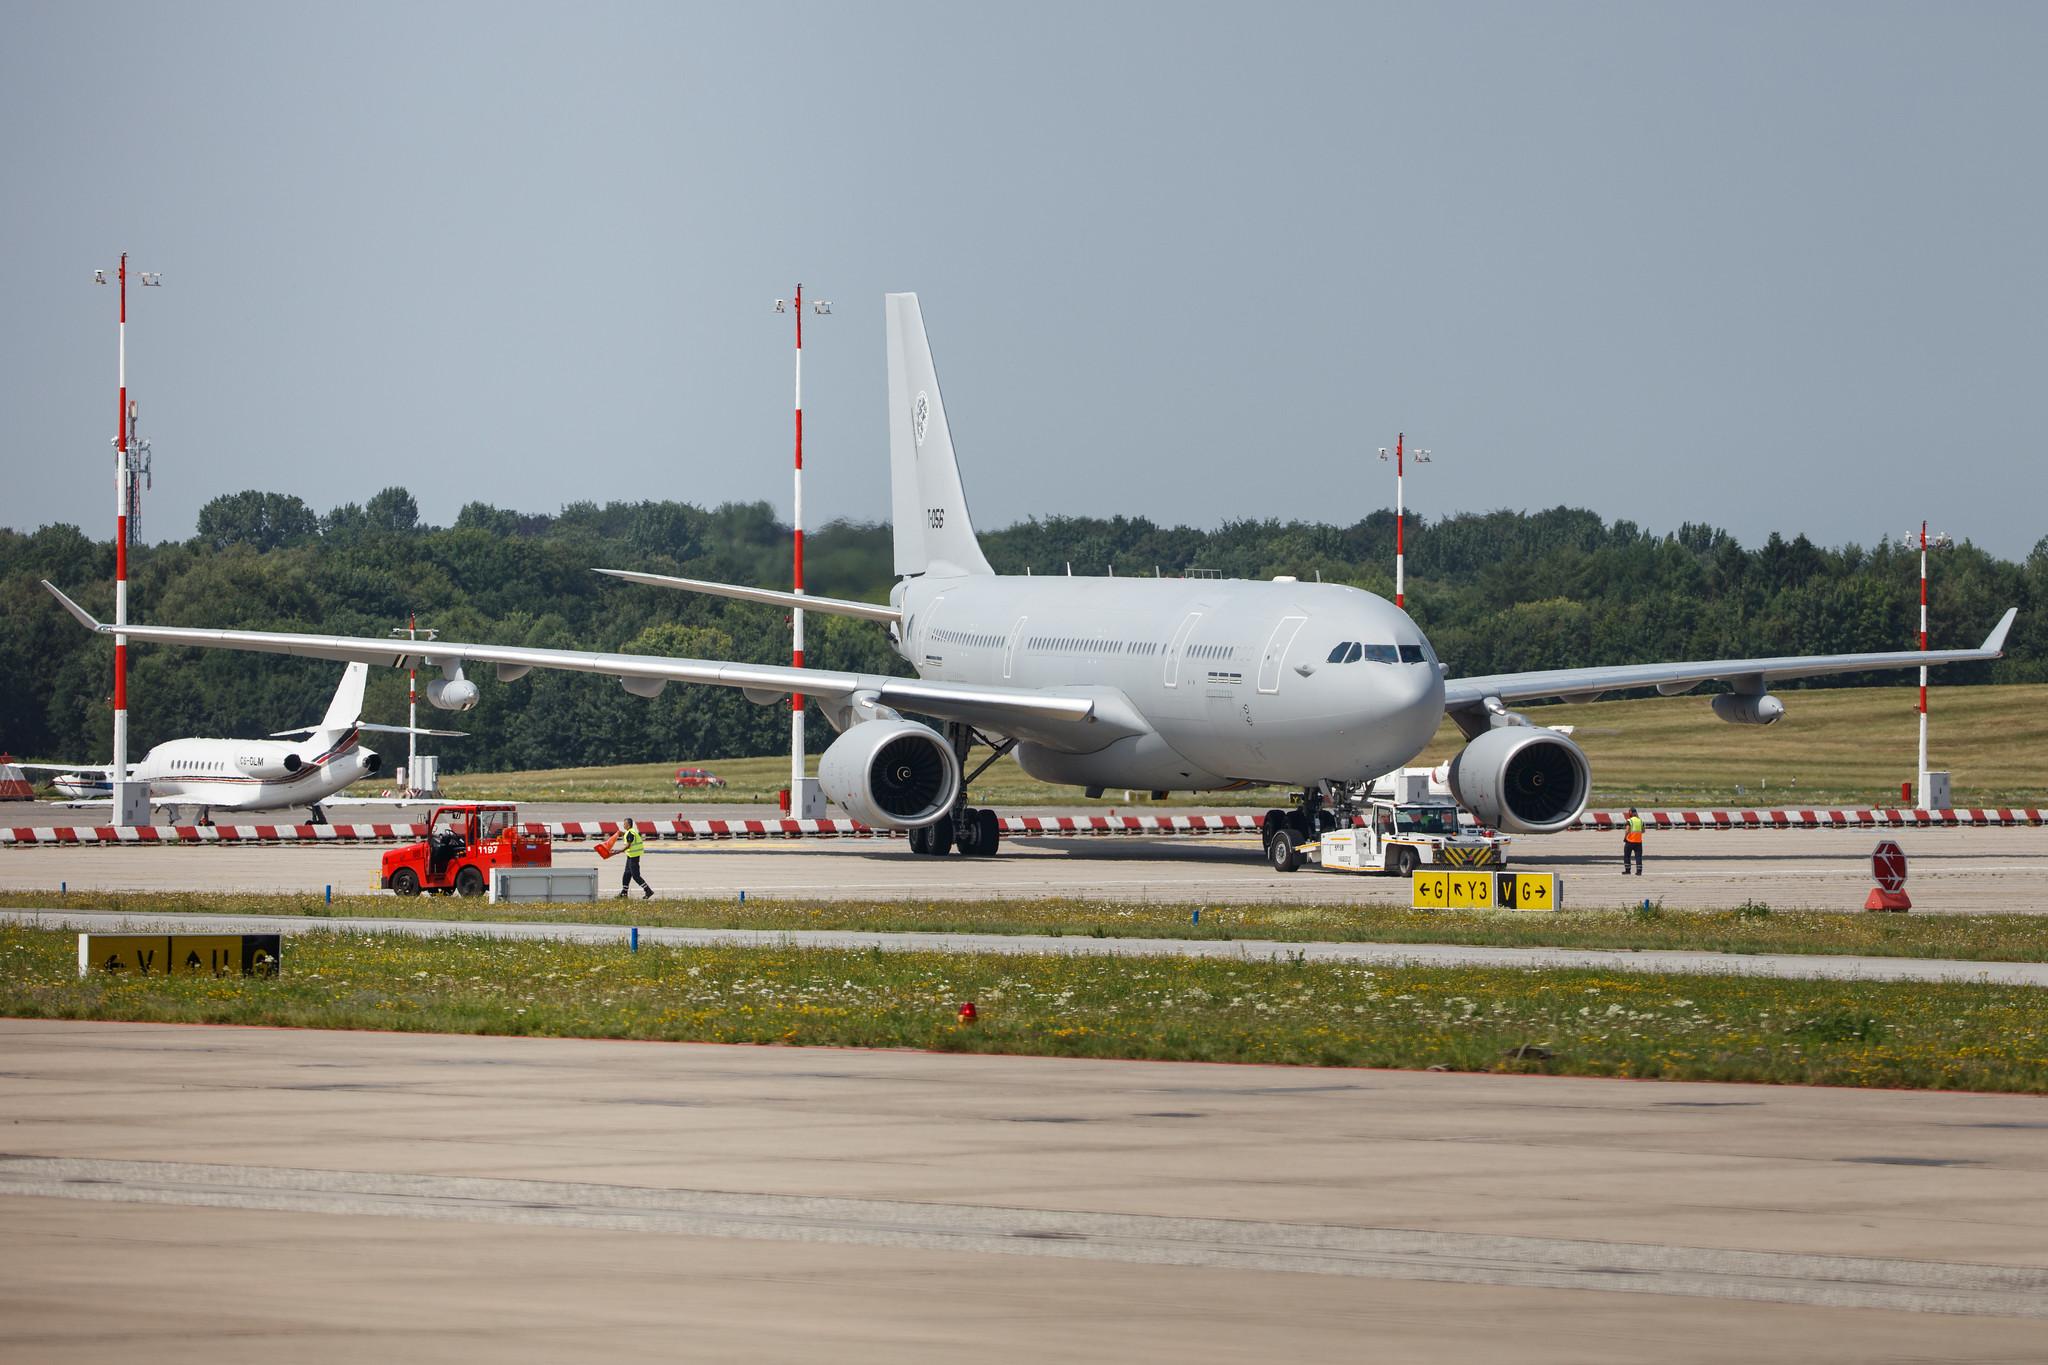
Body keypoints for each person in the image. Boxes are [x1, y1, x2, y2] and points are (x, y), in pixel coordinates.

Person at [616, 818, 654, 899]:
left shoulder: (631, 833)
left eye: (624, 824)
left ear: (628, 825)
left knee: (636, 876)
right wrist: (622, 833)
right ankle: (624, 893)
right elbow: (628, 836)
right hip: (630, 856)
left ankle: (648, 890)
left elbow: (628, 845)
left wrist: (618, 851)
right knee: (626, 874)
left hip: (634, 857)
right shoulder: (630, 832)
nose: (623, 825)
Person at [1623, 807, 1644, 875]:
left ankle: (1628, 870)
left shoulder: (1629, 821)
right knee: (1638, 856)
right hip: (1638, 842)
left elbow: (1627, 830)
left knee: (1627, 856)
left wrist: (1625, 837)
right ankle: (1639, 871)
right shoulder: (1640, 820)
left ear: (1630, 813)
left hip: (1630, 841)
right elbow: (1643, 831)